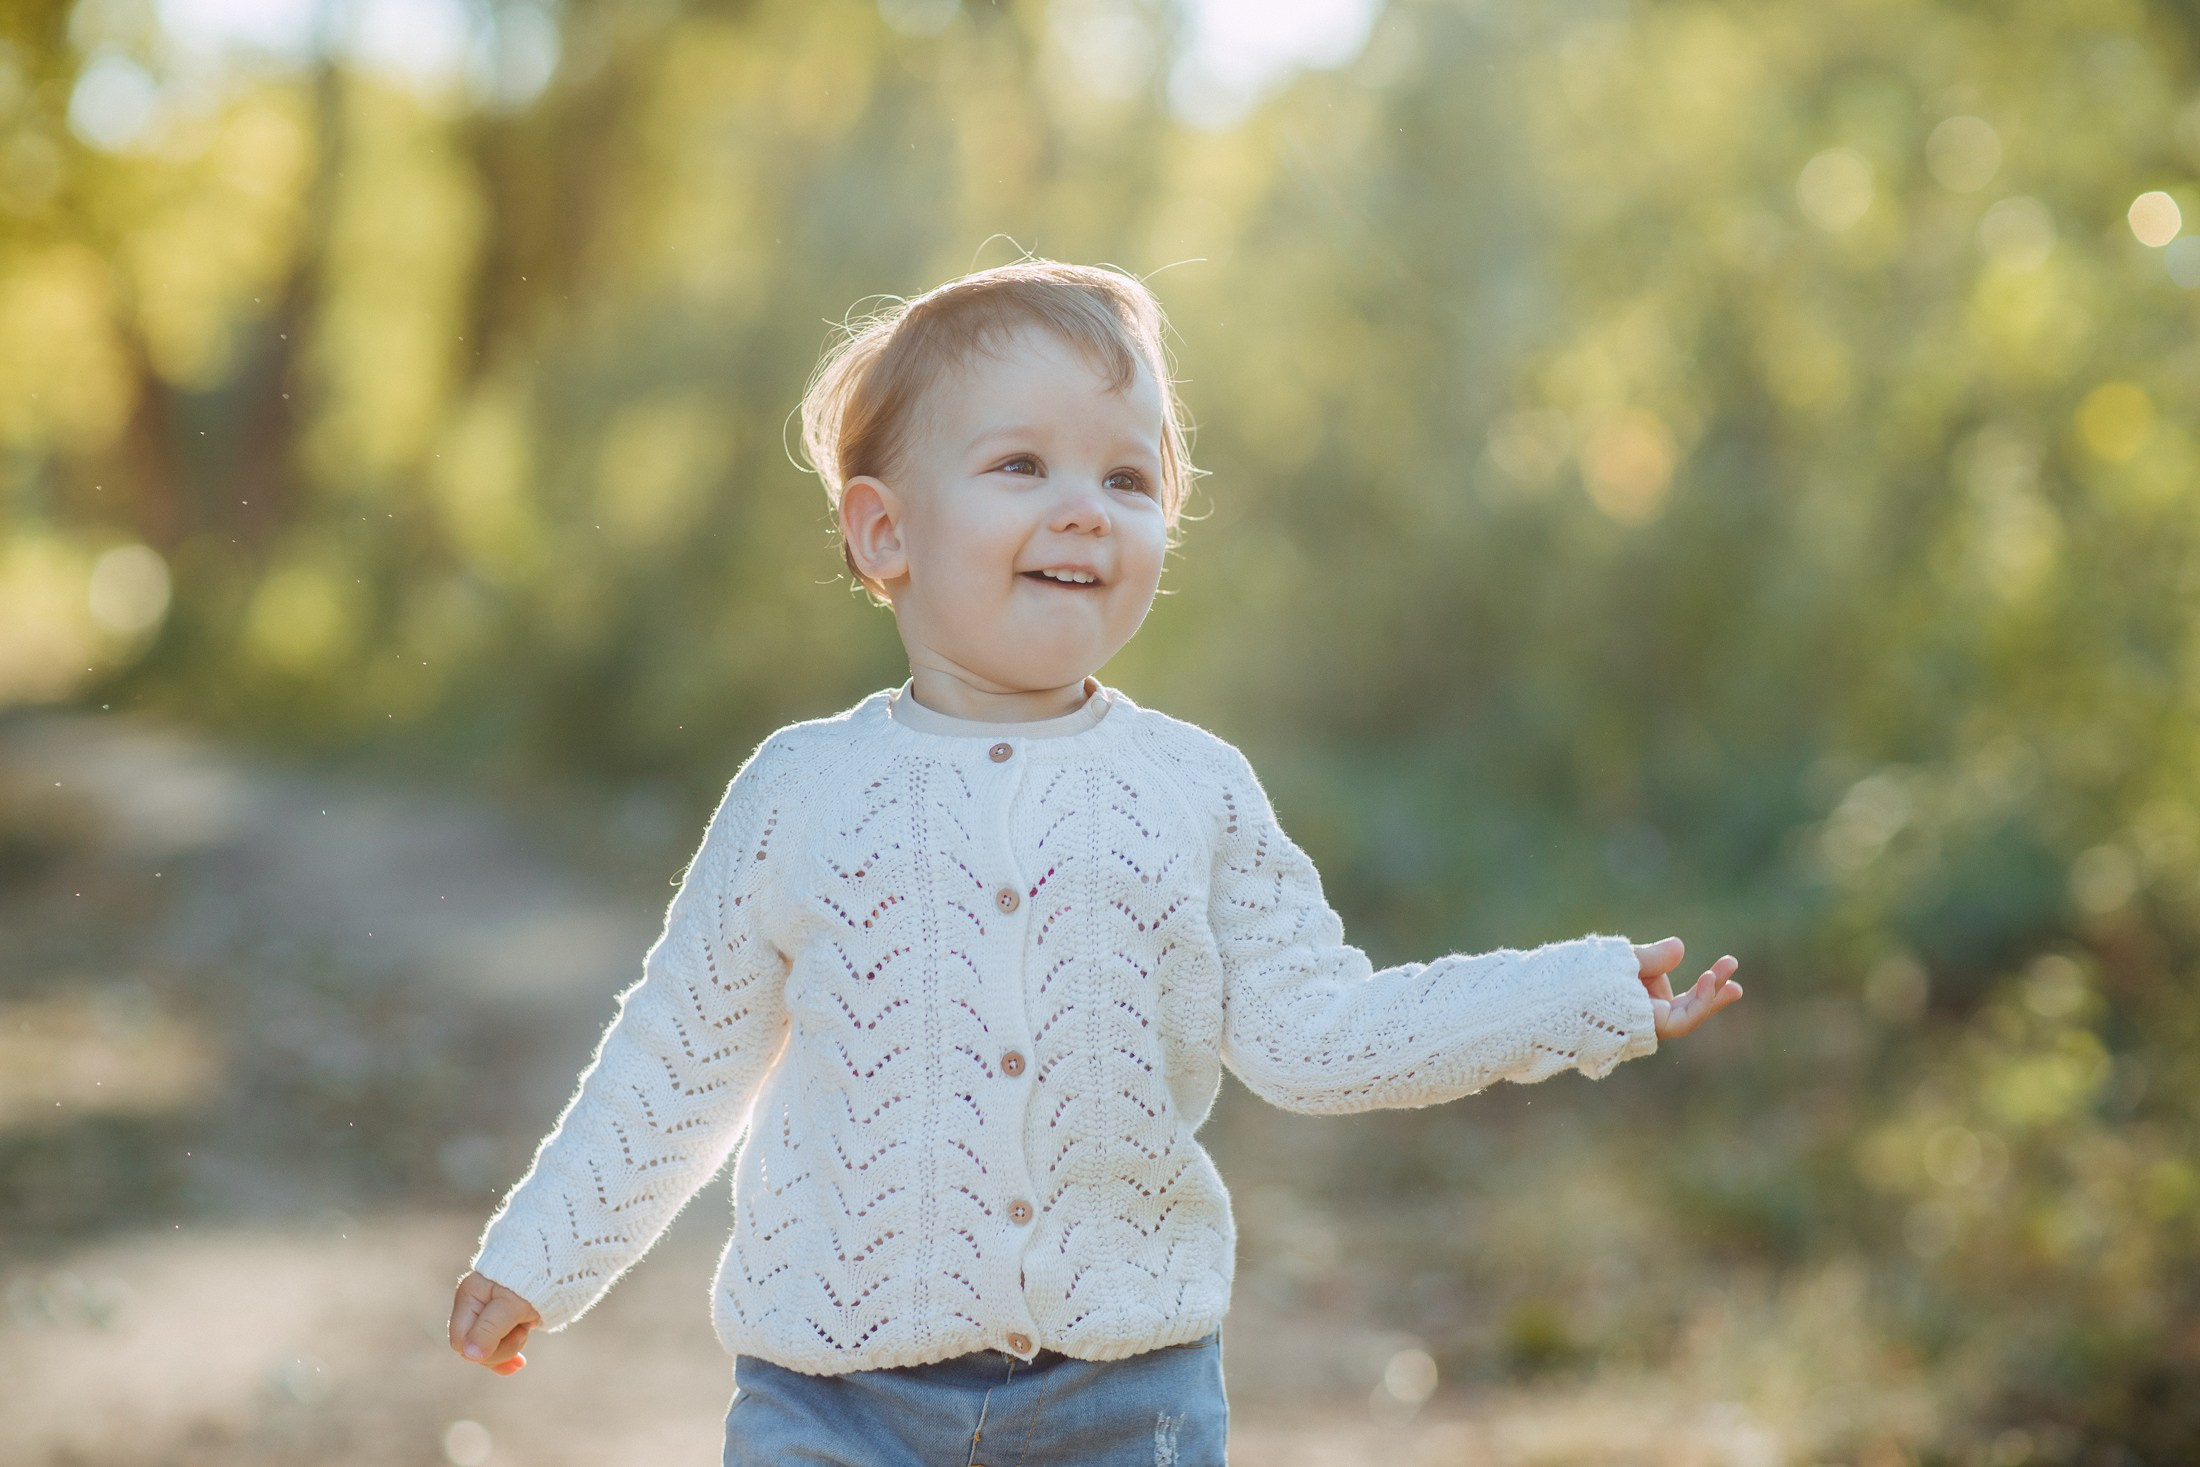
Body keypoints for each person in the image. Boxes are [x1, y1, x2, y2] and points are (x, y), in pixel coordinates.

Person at [445, 258, 1744, 1465]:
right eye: (1021, 464)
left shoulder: (1194, 791)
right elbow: (678, 1057)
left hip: (1125, 1401)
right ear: (885, 534)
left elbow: (1322, 1034)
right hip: (832, 1402)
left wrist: (1577, 998)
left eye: (1129, 480)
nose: (1084, 508)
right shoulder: (803, 794)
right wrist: (541, 1257)